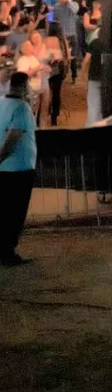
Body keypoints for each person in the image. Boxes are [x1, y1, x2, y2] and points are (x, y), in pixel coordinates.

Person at [0, 72, 37, 266]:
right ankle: (7, 252)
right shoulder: (22, 108)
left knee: (4, 211)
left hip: (5, 170)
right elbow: (12, 138)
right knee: (15, 213)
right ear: (24, 87)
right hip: (19, 169)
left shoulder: (1, 103)